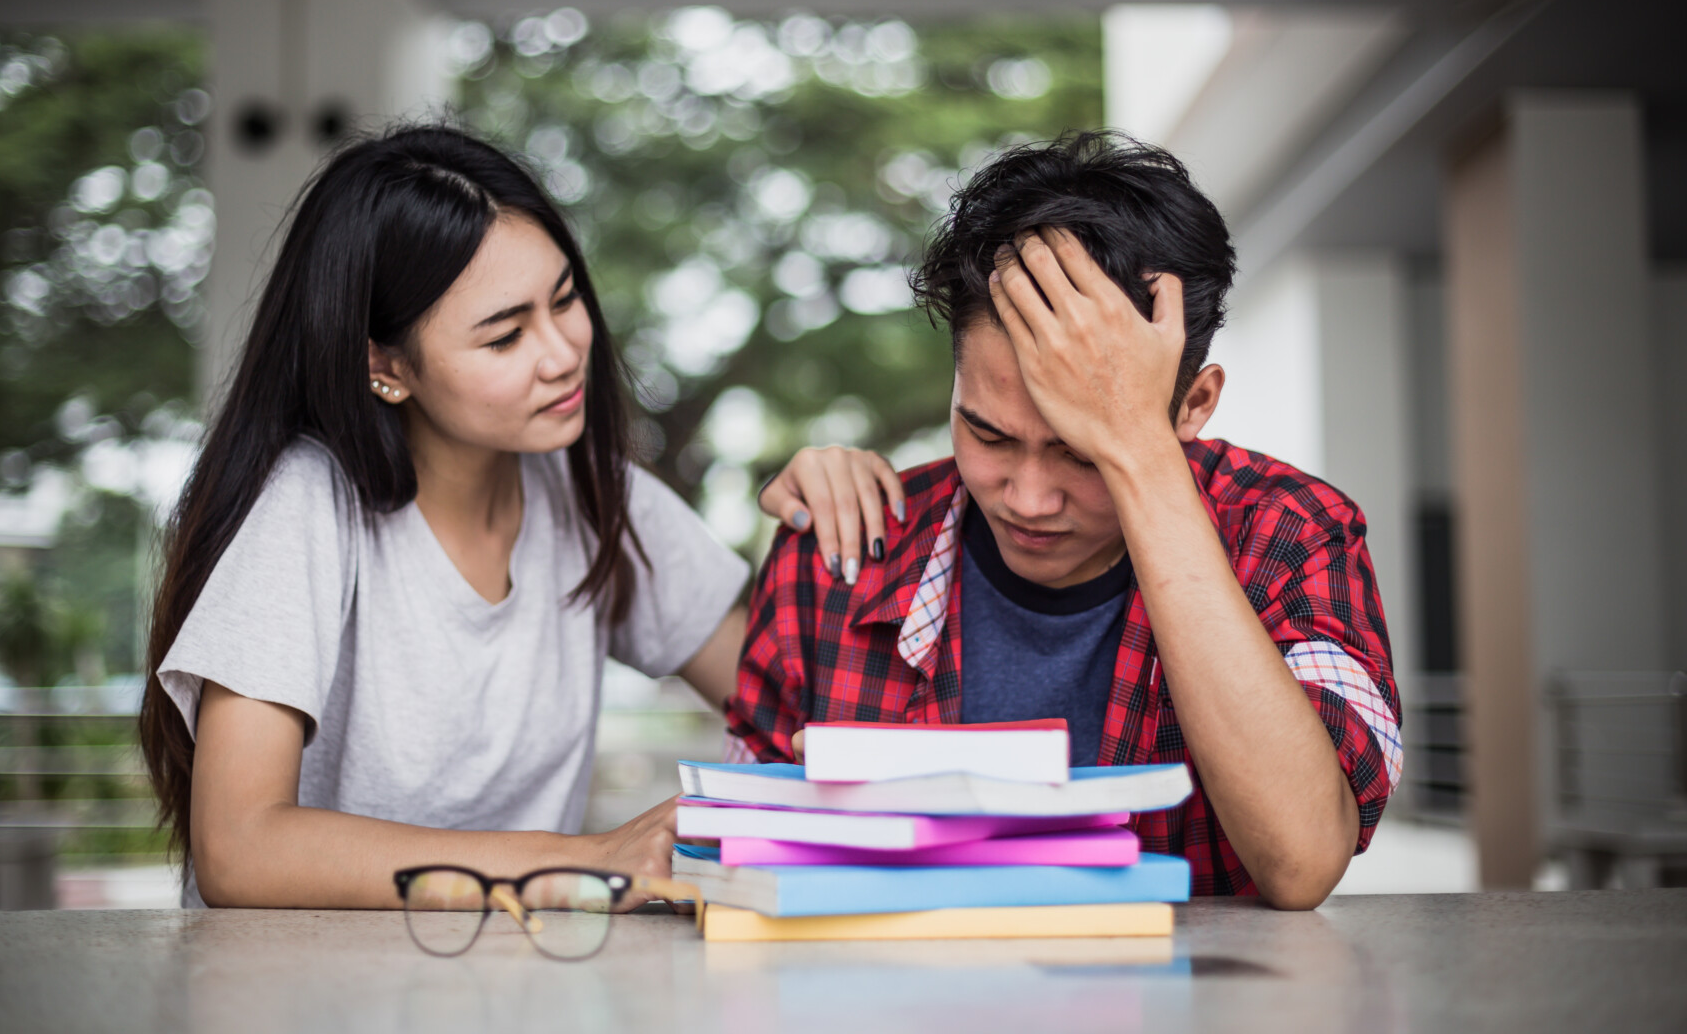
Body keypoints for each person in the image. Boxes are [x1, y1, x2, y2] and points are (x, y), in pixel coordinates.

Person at [138, 125, 896, 908]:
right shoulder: (310, 505)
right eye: (504, 336)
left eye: (565, 299)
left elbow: (806, 719)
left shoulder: (596, 496)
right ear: (386, 366)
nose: (563, 352)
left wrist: (837, 524)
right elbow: (240, 849)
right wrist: (578, 862)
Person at [731, 132, 1402, 909]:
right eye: (987, 434)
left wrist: (1140, 454)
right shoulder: (839, 553)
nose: (1029, 498)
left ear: (1194, 405)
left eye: (1080, 452)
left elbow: (1302, 859)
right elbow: (742, 867)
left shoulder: (1291, 531)